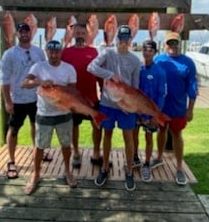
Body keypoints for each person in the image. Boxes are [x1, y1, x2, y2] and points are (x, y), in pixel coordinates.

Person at [87, 25, 141, 191]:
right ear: (116, 39)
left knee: (128, 137)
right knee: (107, 135)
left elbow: (135, 87)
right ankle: (104, 168)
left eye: (126, 39)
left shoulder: (135, 60)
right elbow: (91, 67)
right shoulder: (107, 53)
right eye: (120, 39)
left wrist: (131, 105)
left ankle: (130, 171)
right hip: (107, 104)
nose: (123, 42)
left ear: (130, 41)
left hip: (125, 106)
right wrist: (109, 75)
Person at [22, 40, 77, 195]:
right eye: (51, 51)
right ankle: (36, 174)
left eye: (57, 51)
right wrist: (40, 82)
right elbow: (25, 83)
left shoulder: (69, 69)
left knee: (66, 145)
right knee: (39, 146)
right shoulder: (39, 67)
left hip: (64, 114)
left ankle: (67, 171)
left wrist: (67, 104)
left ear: (61, 52)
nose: (54, 55)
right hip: (44, 114)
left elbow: (73, 93)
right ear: (46, 51)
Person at [0, 22, 50, 179]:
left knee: (36, 126)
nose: (24, 34)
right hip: (18, 100)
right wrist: (8, 101)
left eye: (27, 31)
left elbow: (43, 73)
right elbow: (4, 80)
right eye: (21, 32)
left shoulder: (39, 52)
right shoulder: (9, 54)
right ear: (17, 34)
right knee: (13, 129)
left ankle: (37, 151)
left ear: (31, 33)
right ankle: (11, 160)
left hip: (37, 98)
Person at [152, 31, 198, 185]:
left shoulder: (188, 63)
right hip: (161, 108)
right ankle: (158, 157)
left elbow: (192, 87)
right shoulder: (158, 60)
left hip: (178, 108)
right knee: (161, 132)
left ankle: (179, 167)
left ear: (179, 43)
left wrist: (190, 109)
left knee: (177, 135)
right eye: (169, 43)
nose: (172, 46)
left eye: (175, 42)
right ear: (164, 44)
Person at [61, 24, 104, 168]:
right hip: (73, 99)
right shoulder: (65, 52)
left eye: (82, 33)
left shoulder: (93, 51)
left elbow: (99, 73)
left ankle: (96, 152)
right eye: (77, 33)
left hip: (92, 98)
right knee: (73, 126)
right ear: (73, 35)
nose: (80, 35)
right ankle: (76, 153)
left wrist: (103, 90)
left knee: (97, 125)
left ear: (87, 35)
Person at [132, 40, 167, 182]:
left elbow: (162, 94)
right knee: (133, 135)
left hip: (151, 113)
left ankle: (146, 163)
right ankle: (135, 157)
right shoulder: (138, 68)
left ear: (155, 53)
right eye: (145, 50)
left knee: (148, 138)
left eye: (150, 51)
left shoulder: (159, 72)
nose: (147, 53)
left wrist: (156, 114)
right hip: (136, 111)